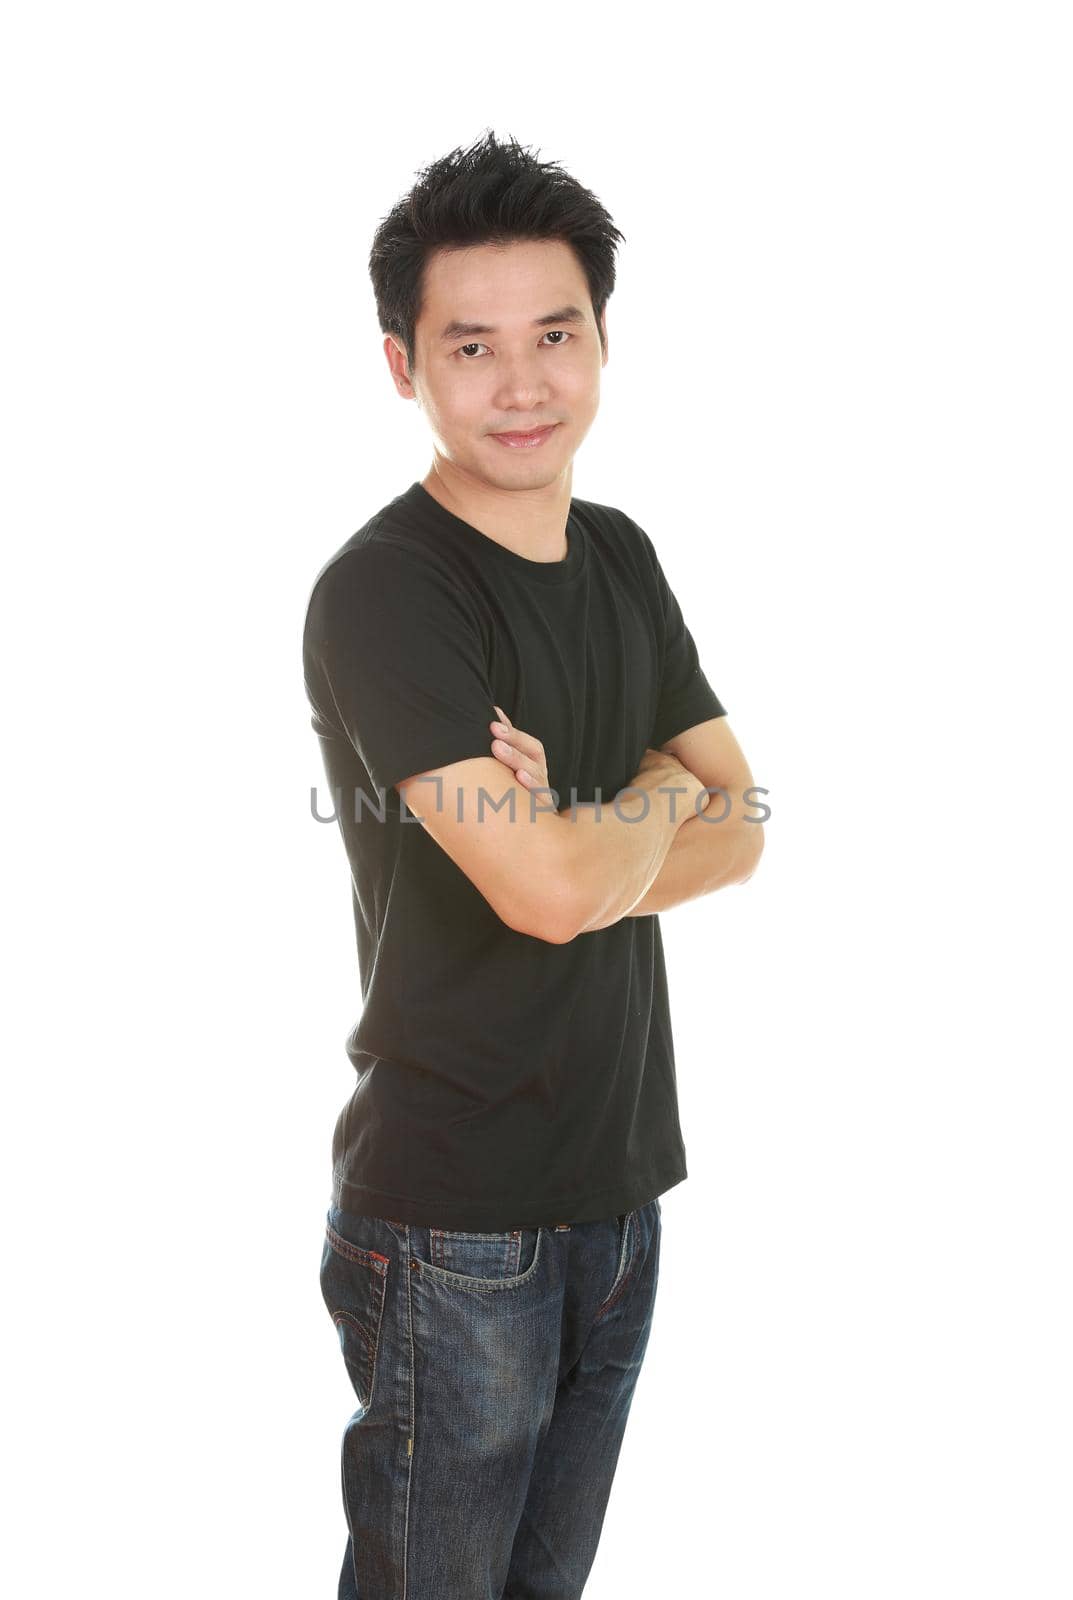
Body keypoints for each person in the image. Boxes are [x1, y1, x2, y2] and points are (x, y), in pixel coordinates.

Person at [301, 129, 764, 1600]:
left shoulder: (620, 553)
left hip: (618, 1188)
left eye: (554, 335)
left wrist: (590, 814)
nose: (521, 385)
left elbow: (744, 824)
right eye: (472, 346)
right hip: (454, 1219)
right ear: (403, 367)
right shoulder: (385, 592)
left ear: (602, 343)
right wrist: (641, 804)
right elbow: (547, 896)